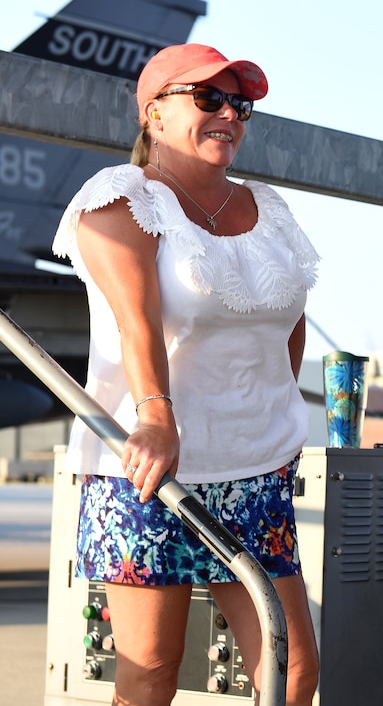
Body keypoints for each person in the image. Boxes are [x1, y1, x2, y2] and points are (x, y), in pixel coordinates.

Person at [51, 43, 320, 705]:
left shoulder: (269, 208)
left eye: (240, 103)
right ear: (154, 114)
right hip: (147, 469)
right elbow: (134, 319)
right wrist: (156, 415)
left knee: (293, 670)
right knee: (150, 671)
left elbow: (288, 319)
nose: (229, 113)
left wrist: (274, 417)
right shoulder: (121, 199)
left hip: (254, 468)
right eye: (208, 98)